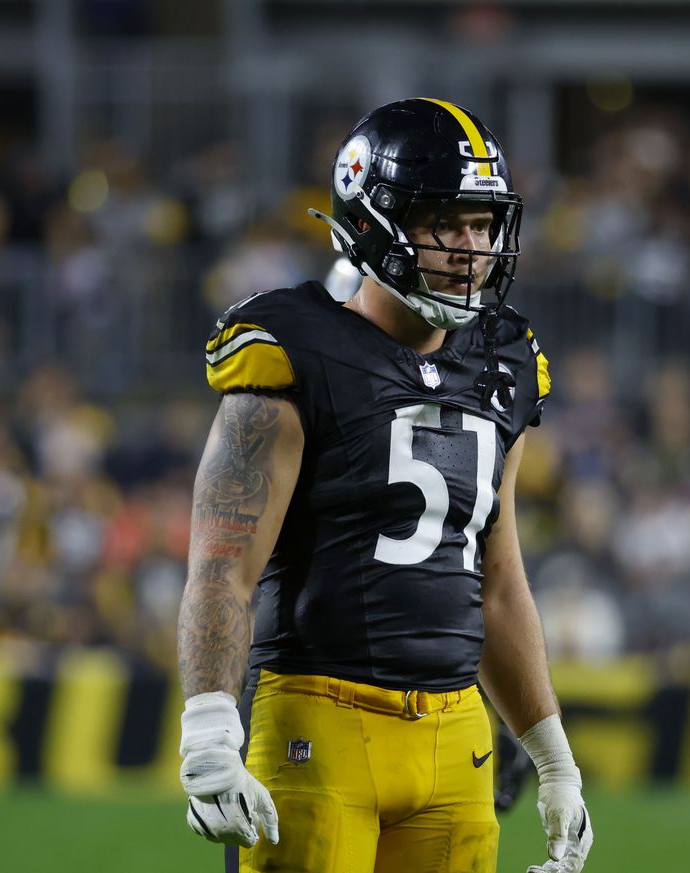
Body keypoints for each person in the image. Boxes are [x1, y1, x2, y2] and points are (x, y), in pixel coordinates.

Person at [176, 98, 594, 873]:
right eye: (446, 223)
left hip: (456, 736)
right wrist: (207, 724)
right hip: (317, 719)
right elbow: (221, 562)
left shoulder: (502, 361)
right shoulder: (298, 347)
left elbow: (497, 580)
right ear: (373, 223)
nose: (472, 249)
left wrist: (551, 754)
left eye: (483, 225)